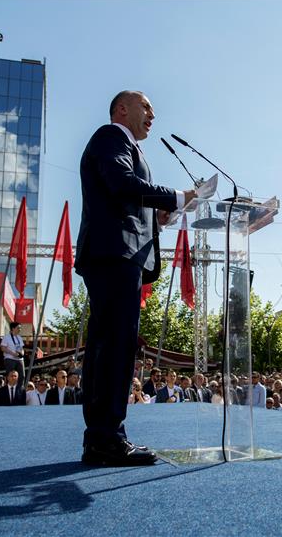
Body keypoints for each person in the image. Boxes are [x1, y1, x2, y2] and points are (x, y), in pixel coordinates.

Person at [74, 90, 195, 466]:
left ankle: (102, 437)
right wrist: (176, 197)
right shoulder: (111, 136)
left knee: (109, 347)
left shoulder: (129, 146)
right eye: (147, 108)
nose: (152, 116)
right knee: (114, 348)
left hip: (118, 255)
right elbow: (121, 183)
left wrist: (155, 220)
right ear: (122, 109)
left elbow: (123, 200)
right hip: (113, 255)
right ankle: (107, 438)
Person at [0, 322, 26, 386]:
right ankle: (9, 390)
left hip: (19, 359)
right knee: (10, 376)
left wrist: (22, 353)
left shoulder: (19, 337)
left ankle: (19, 391)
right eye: (18, 328)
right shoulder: (6, 337)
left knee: (22, 376)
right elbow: (3, 348)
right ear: (13, 328)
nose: (20, 329)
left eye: (20, 328)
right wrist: (13, 353)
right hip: (10, 359)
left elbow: (22, 348)